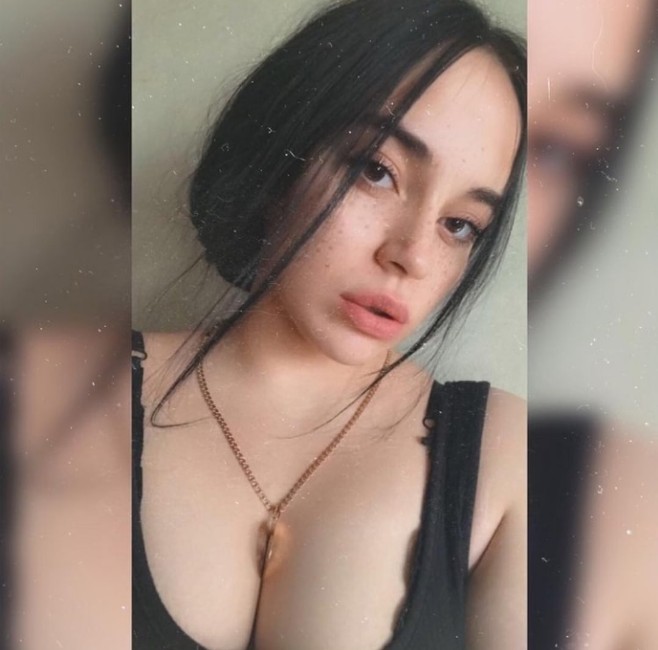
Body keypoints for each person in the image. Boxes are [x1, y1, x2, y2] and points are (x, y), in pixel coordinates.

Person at [133, 0, 527, 648]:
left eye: (460, 225)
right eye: (377, 171)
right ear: (278, 159)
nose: (412, 256)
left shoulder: (509, 458)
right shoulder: (63, 396)